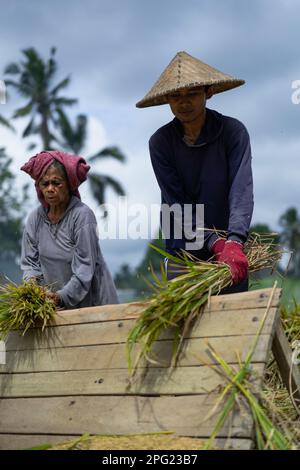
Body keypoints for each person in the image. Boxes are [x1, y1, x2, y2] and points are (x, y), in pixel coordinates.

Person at [136, 51, 254, 293]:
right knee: (186, 328)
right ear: (167, 99)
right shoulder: (160, 143)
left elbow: (241, 190)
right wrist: (215, 243)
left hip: (230, 252)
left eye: (192, 93)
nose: (184, 102)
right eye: (176, 96)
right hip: (184, 251)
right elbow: (177, 203)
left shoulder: (233, 132)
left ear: (208, 92)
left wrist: (233, 241)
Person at [20, 150, 119, 309]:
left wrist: (60, 297)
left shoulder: (82, 216)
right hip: (55, 308)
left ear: (68, 184)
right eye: (45, 184)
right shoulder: (35, 219)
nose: (50, 189)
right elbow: (30, 264)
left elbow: (84, 270)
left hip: (94, 307)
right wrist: (34, 288)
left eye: (56, 183)